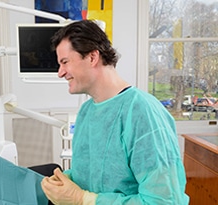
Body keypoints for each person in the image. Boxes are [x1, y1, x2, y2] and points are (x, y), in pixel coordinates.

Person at [40, 20, 189, 204]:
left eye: (64, 62)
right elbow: (93, 173)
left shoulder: (142, 112)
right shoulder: (87, 111)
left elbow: (163, 200)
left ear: (92, 57)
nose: (60, 73)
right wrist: (66, 181)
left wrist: (83, 199)